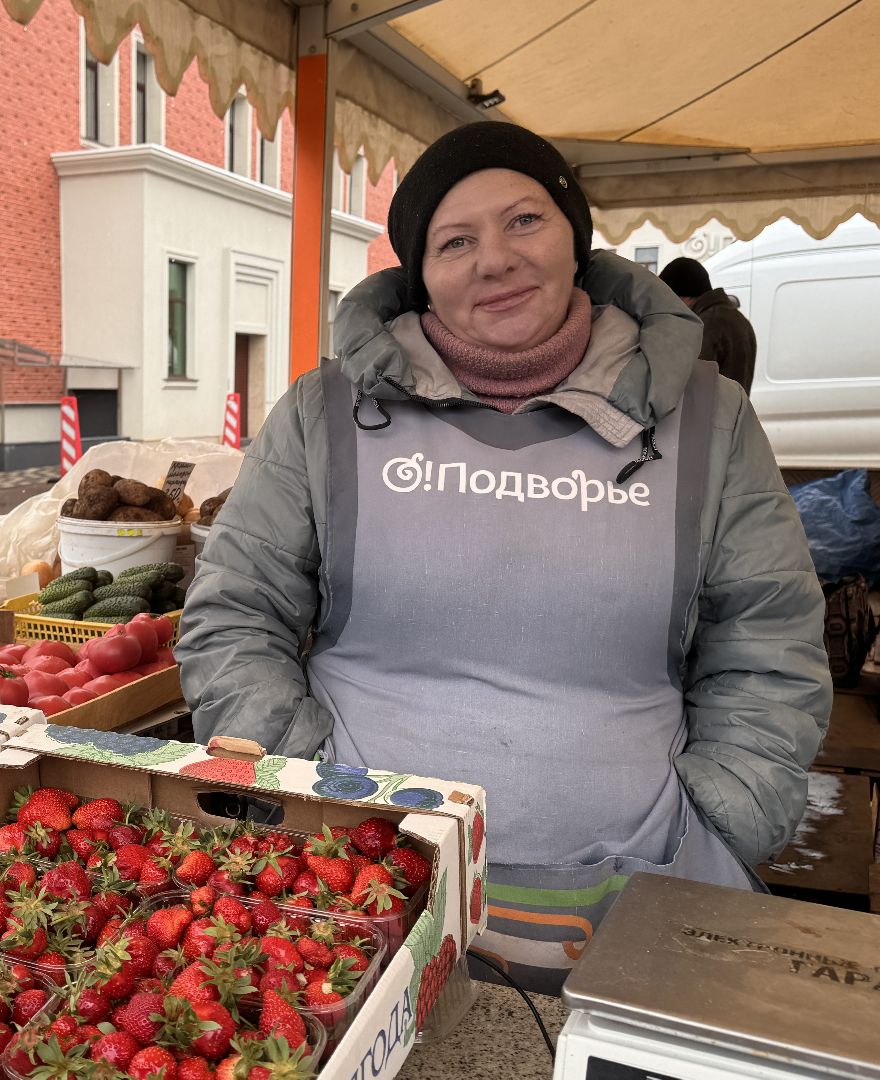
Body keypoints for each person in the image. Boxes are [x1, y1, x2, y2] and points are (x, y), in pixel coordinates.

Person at [176, 122, 830, 993]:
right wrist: (299, 785)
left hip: (643, 884)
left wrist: (725, 816)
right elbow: (235, 610)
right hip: (347, 883)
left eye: (524, 220)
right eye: (455, 241)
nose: (495, 260)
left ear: (573, 234)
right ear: (421, 272)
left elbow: (769, 639)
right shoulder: (321, 412)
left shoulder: (711, 420)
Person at [658, 256, 757, 393]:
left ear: (685, 298)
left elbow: (690, 387)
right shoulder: (738, 319)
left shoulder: (705, 325)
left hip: (711, 413)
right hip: (735, 412)